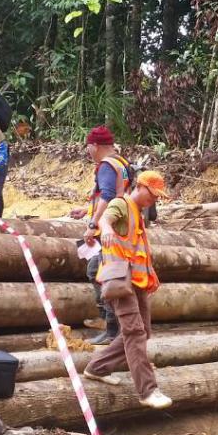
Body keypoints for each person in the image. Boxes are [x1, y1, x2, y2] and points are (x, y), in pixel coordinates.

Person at [82, 170, 172, 410]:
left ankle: (97, 368)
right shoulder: (121, 204)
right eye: (152, 195)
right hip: (120, 281)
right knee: (134, 332)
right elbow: (105, 219)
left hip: (137, 282)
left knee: (143, 332)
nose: (153, 200)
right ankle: (148, 390)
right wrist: (107, 229)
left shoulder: (138, 214)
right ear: (140, 186)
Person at [69, 126, 131, 345]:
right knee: (101, 271)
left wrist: (93, 223)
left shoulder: (106, 165)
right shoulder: (121, 163)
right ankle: (107, 322)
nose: (88, 151)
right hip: (122, 227)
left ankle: (111, 328)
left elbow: (107, 195)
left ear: (95, 145)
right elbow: (116, 195)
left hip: (111, 230)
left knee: (102, 273)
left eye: (88, 146)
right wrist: (86, 211)